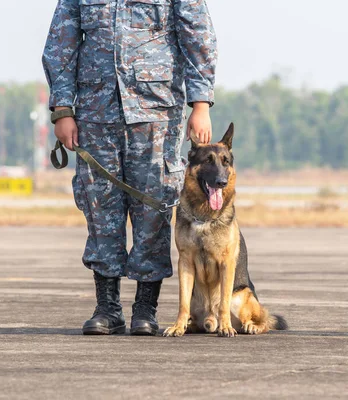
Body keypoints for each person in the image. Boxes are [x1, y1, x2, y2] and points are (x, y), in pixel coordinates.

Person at [42, 0, 217, 336]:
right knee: (100, 209)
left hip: (157, 112)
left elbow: (198, 35)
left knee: (153, 208)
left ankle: (145, 309)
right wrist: (62, 109)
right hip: (95, 113)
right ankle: (107, 308)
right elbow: (61, 43)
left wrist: (201, 104)